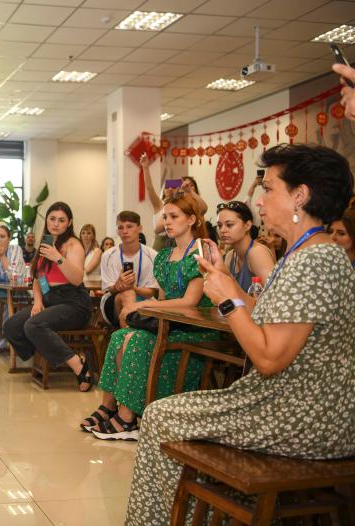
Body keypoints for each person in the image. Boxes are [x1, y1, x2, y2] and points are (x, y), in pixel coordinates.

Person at [125, 143, 355, 525]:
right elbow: (265, 317)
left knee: (162, 417)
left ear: (300, 196)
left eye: (268, 189)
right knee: (167, 414)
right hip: (292, 403)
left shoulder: (315, 260)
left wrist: (229, 300)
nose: (260, 201)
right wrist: (226, 281)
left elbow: (267, 358)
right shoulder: (309, 253)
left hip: (303, 414)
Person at [83, 193, 218, 440]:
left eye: (174, 216)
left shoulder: (199, 253)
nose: (167, 221)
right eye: (165, 216)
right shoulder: (166, 256)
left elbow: (190, 302)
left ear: (191, 220)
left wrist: (146, 307)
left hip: (196, 327)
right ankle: (109, 406)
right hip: (172, 323)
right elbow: (165, 298)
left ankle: (127, 418)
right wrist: (152, 305)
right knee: (120, 336)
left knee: (135, 340)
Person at [3, 202, 94, 391]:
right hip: (50, 299)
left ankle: (78, 365)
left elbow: (77, 279)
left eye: (61, 220)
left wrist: (57, 257)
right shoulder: (45, 243)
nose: (56, 224)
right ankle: (51, 354)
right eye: (52, 219)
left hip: (74, 302)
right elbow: (37, 278)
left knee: (33, 325)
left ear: (69, 223)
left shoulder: (73, 244)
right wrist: (37, 302)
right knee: (11, 326)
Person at [98, 211, 159, 329]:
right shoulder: (108, 255)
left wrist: (134, 288)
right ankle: (129, 336)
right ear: (117, 231)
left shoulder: (153, 256)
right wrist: (118, 285)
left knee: (130, 292)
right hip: (113, 302)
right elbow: (109, 290)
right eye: (120, 227)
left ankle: (127, 335)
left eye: (129, 226)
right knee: (128, 294)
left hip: (145, 299)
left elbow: (151, 291)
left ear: (139, 228)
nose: (125, 231)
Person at [215, 201, 275, 289]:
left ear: (247, 225)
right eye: (219, 225)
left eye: (229, 225)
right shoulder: (230, 256)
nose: (222, 230)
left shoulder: (257, 253)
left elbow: (273, 294)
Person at [141, 153, 177, 252]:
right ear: (163, 190)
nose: (170, 189)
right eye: (167, 187)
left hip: (176, 243)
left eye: (173, 187)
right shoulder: (160, 204)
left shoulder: (180, 206)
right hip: (161, 243)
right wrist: (145, 168)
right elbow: (149, 188)